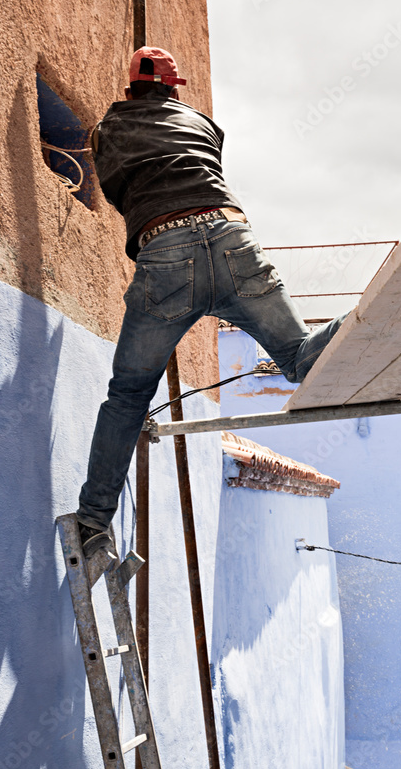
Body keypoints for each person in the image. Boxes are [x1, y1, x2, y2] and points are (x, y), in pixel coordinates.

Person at [76, 46, 347, 556]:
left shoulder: (106, 130)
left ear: (131, 87)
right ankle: (369, 314)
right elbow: (203, 168)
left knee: (129, 397)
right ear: (173, 88)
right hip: (231, 237)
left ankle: (92, 524)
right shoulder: (203, 123)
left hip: (165, 251)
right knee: (297, 357)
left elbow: (116, 191)